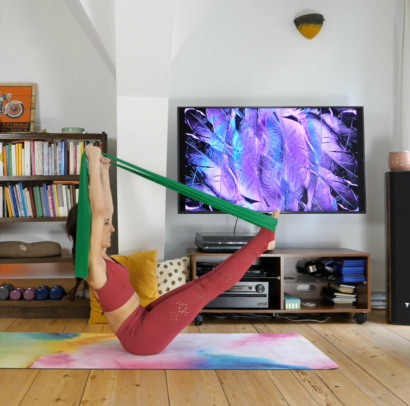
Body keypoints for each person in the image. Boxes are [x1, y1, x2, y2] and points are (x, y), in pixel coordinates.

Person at [65, 146, 279, 355]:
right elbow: (98, 211)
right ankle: (262, 242)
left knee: (202, 281)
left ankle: (264, 242)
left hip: (142, 318)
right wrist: (92, 164)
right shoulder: (93, 264)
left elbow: (106, 210)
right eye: (105, 225)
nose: (111, 228)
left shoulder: (103, 257)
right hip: (141, 338)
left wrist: (104, 172)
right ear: (89, 231)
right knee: (208, 286)